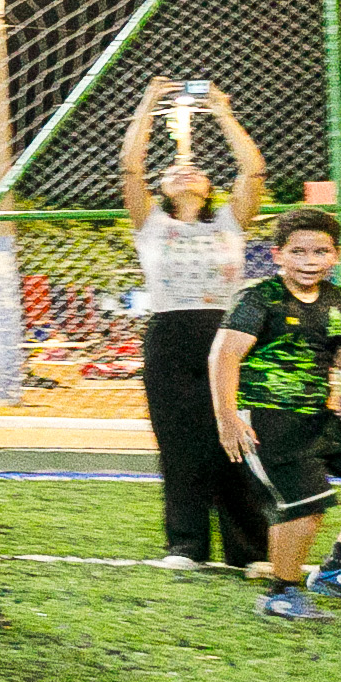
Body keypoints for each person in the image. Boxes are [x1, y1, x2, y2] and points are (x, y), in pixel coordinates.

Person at [209, 207, 341, 621]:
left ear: (335, 256)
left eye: (320, 252)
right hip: (266, 418)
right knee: (306, 505)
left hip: (319, 418)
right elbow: (225, 354)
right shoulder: (260, 298)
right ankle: (281, 593)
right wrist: (227, 417)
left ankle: (338, 571)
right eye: (298, 252)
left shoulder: (340, 302)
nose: (309, 261)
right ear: (278, 255)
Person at [119, 78, 270, 575]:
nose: (185, 172)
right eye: (174, 170)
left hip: (225, 336)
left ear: (210, 187)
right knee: (179, 444)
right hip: (170, 338)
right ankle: (186, 545)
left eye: (196, 170)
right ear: (162, 187)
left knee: (237, 437)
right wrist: (148, 103)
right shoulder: (152, 225)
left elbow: (253, 169)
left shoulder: (228, 223)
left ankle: (250, 551)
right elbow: (130, 167)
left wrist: (222, 110)